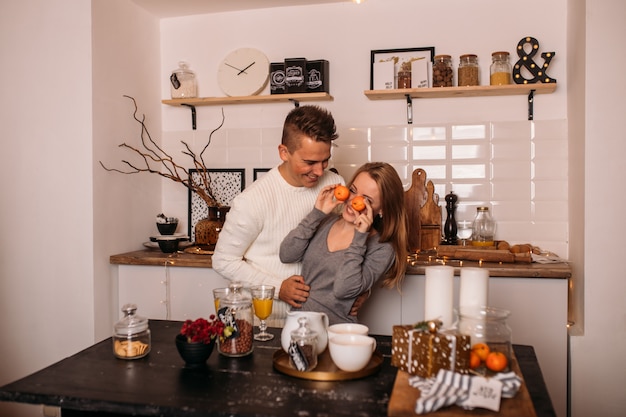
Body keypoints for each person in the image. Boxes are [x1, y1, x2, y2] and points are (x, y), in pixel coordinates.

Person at [212, 105, 343, 327]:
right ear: (284, 152)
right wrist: (277, 287)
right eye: (309, 162)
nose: (320, 171)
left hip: (324, 317)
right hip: (268, 322)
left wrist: (361, 291)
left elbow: (350, 243)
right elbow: (223, 260)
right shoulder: (253, 200)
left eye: (325, 161)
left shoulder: (335, 185)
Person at [279, 162, 408, 325]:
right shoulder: (324, 221)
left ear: (382, 210)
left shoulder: (382, 249)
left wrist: (360, 236)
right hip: (299, 328)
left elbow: (343, 289)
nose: (354, 200)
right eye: (353, 190)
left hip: (339, 333)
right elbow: (287, 254)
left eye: (366, 200)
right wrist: (316, 214)